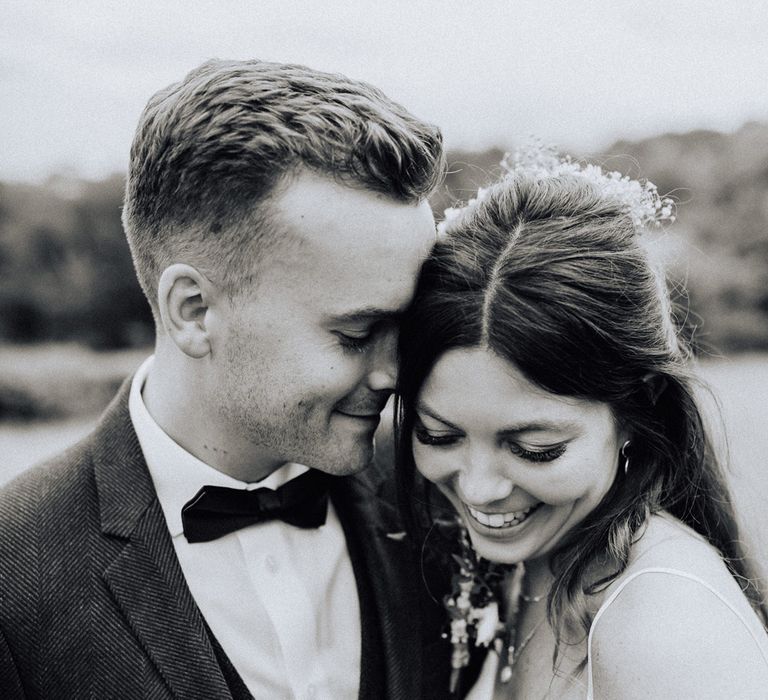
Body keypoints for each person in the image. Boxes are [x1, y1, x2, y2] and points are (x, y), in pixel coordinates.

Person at [0, 59, 450, 699]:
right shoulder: (16, 578)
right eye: (354, 334)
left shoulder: (444, 484)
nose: (397, 373)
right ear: (194, 310)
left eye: (406, 328)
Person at [395, 151, 768, 698]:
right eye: (439, 435)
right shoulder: (536, 559)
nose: (478, 488)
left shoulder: (667, 630)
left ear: (637, 410)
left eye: (535, 448)